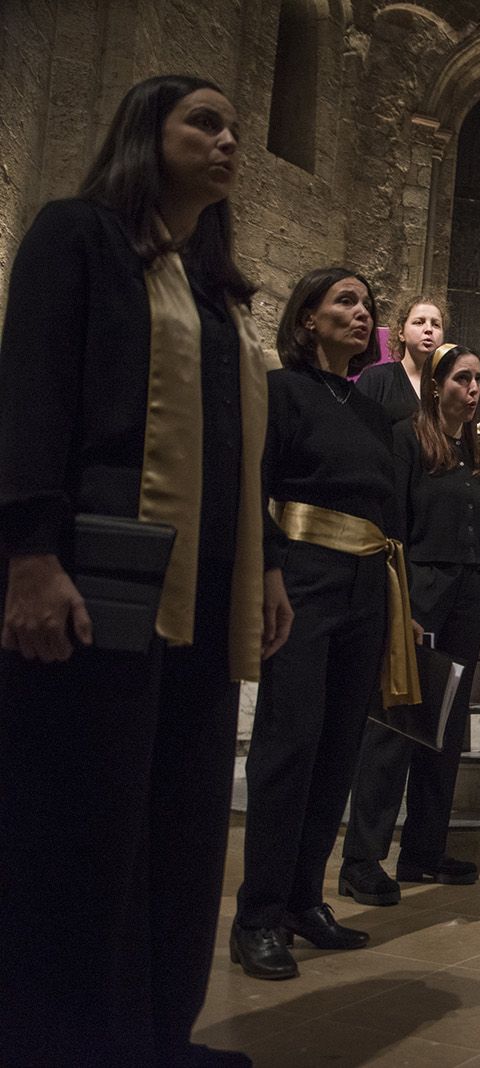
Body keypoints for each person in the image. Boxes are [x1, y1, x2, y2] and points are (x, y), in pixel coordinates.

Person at [0, 74, 283, 1068]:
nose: (229, 142)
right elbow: (31, 397)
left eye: (236, 129)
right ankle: (65, 1044)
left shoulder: (212, 295)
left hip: (203, 595)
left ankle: (156, 1035)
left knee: (178, 823)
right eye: (204, 122)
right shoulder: (75, 237)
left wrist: (269, 572)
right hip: (98, 582)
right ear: (144, 132)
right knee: (84, 831)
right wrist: (29, 553)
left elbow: (239, 452)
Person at [234, 267, 408, 979]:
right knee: (288, 743)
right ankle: (257, 914)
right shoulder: (280, 392)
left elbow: (387, 510)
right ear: (307, 318)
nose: (361, 314)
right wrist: (270, 571)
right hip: (302, 578)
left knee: (339, 747)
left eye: (368, 305)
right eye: (345, 302)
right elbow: (255, 488)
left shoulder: (371, 409)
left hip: (370, 585)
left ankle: (305, 899)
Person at [340, 346, 480, 904]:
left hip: (464, 601)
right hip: (419, 596)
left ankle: (423, 851)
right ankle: (362, 859)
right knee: (394, 727)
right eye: (463, 378)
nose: (473, 388)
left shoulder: (475, 452)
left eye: (479, 379)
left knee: (446, 731)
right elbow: (394, 526)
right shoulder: (408, 438)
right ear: (437, 386)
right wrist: (398, 606)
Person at [355, 295, 447, 424]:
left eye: (436, 324)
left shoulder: (449, 385)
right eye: (419, 322)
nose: (429, 330)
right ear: (401, 333)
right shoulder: (376, 379)